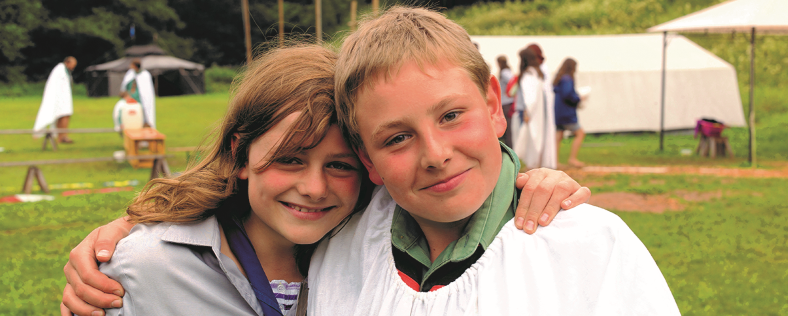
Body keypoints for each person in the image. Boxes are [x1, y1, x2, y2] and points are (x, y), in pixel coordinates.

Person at [60, 47, 594, 316]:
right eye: (290, 160)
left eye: (338, 165)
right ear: (239, 156)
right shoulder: (145, 266)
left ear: (367, 167)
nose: (315, 188)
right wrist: (129, 230)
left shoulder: (368, 241)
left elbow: (450, 171)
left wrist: (536, 180)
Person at [307, 6, 678, 314]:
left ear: (492, 106)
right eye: (398, 138)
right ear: (367, 160)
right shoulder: (340, 252)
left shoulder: (594, 249)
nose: (436, 155)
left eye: (451, 116)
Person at [513, 47, 557, 169]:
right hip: (537, 112)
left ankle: (532, 165)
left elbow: (530, 97)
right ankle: (534, 164)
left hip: (529, 111)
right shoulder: (537, 73)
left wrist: (527, 112)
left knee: (531, 139)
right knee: (535, 138)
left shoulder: (529, 74)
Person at [33, 56, 77, 144]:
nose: (73, 67)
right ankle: (62, 137)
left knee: (66, 115)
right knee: (62, 115)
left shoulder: (65, 71)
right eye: (73, 65)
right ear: (67, 62)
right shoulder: (60, 70)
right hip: (59, 99)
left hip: (64, 99)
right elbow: (55, 85)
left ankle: (63, 136)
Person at [553, 58, 587, 168]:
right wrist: (578, 98)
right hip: (567, 113)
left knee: (558, 136)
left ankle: (555, 161)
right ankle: (572, 159)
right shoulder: (567, 79)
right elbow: (567, 94)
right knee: (580, 133)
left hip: (558, 112)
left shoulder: (559, 79)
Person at [122, 59, 156, 128]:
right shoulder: (130, 73)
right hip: (130, 98)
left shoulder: (145, 75)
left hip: (140, 99)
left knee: (141, 114)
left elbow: (146, 91)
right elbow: (125, 86)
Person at [496, 55, 515, 148]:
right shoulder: (508, 70)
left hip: (506, 103)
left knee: (506, 128)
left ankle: (509, 147)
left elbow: (513, 81)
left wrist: (509, 92)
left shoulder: (504, 72)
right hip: (507, 102)